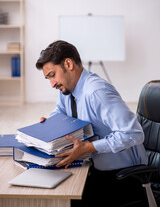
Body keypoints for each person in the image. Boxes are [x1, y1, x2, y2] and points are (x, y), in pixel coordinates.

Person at [36, 40, 148, 207]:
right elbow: (60, 111)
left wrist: (88, 148)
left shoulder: (97, 92)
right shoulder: (66, 90)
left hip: (122, 177)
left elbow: (134, 133)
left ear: (68, 64)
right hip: (92, 167)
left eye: (52, 75)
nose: (52, 84)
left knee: (64, 199)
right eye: (48, 78)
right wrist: (51, 123)